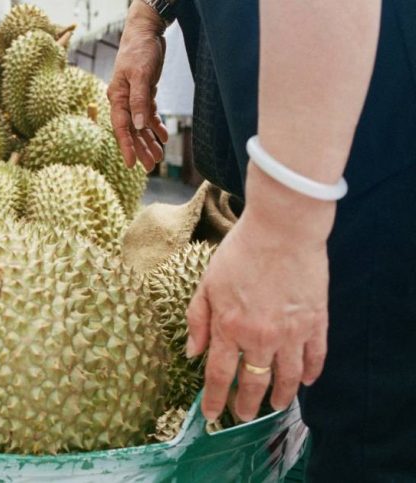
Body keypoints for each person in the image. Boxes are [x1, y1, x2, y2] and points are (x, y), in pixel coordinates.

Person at [109, 1, 416, 480]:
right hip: (316, 137)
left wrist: (285, 217)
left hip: (366, 138)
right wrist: (149, 13)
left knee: (374, 442)